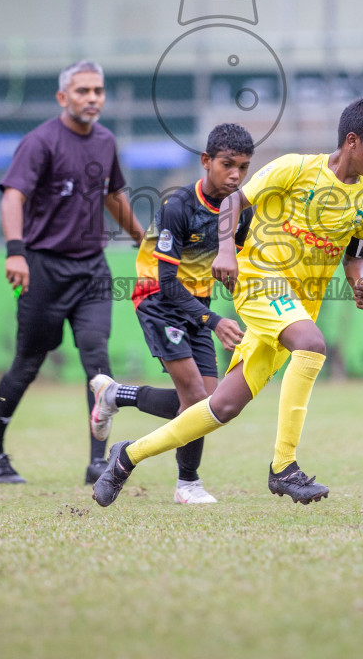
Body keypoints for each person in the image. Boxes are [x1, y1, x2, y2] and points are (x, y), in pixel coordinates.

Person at [93, 97, 363, 509]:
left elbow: (356, 252)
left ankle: (127, 457)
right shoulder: (296, 167)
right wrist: (225, 250)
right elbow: (235, 201)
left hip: (298, 306)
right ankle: (284, 468)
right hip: (259, 281)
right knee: (311, 344)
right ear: (351, 140)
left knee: (221, 405)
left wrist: (359, 282)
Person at [0, 60, 145, 486]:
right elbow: (12, 197)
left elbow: (113, 196)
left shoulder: (105, 141)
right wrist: (15, 252)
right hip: (43, 269)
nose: (92, 98)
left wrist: (143, 237)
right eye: (83, 91)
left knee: (98, 363)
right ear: (62, 97)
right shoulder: (40, 142)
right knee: (28, 363)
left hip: (92, 269)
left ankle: (97, 462)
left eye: (98, 91)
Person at [87, 123, 254, 505]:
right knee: (196, 398)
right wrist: (214, 322)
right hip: (158, 299)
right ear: (206, 161)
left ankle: (116, 394)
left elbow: (240, 260)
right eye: (227, 164)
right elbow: (167, 282)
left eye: (243, 168)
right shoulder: (178, 206)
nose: (235, 175)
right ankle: (188, 484)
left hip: (196, 304)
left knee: (210, 406)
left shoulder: (241, 211)